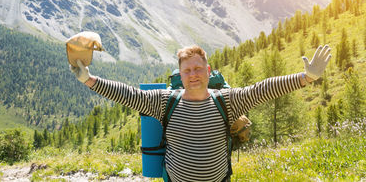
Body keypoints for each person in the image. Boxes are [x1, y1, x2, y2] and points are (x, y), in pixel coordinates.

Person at [71, 44, 332, 182]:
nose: (193, 74)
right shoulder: (164, 102)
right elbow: (129, 94)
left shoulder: (227, 101)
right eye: (187, 70)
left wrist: (305, 78)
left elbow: (262, 89)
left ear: (208, 72)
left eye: (198, 68)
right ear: (180, 75)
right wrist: (89, 80)